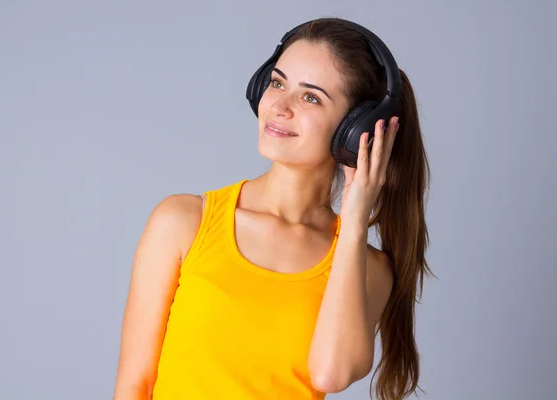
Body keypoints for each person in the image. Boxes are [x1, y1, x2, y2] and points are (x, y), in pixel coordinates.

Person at [113, 17, 432, 400]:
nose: (280, 106)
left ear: (355, 128)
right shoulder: (182, 221)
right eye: (278, 83)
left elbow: (331, 374)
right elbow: (135, 384)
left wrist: (355, 219)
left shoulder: (367, 267)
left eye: (311, 96)